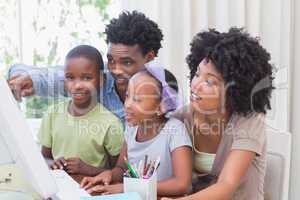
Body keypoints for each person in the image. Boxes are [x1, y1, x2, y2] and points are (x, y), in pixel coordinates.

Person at [163, 28, 274, 200]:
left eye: (209, 82)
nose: (195, 85)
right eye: (197, 74)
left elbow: (226, 186)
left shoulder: (249, 120)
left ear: (234, 91)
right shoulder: (181, 118)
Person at [7, 10, 164, 124]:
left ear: (149, 57)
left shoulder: (163, 93)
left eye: (127, 62)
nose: (115, 70)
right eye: (111, 60)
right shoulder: (98, 77)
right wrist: (25, 80)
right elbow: (40, 75)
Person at [80, 66, 193, 196]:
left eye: (137, 100)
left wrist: (128, 188)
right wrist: (110, 174)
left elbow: (182, 184)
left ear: (161, 107)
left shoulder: (175, 130)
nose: (127, 104)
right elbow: (121, 168)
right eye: (128, 96)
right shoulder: (132, 128)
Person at [38, 45, 123, 176]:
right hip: (59, 191)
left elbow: (119, 174)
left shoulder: (111, 123)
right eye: (70, 77)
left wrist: (88, 170)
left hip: (92, 193)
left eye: (87, 78)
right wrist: (52, 164)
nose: (77, 86)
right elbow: (44, 158)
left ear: (101, 80)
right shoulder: (52, 114)